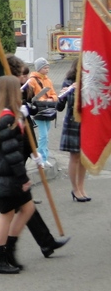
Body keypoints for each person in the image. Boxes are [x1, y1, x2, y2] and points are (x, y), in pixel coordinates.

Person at [0, 54, 69, 262]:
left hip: (8, 156)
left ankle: (43, 241)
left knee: (22, 204)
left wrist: (32, 147)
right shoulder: (2, 91)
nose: (24, 79)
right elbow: (6, 127)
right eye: (21, 75)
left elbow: (21, 122)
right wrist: (23, 170)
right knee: (0, 204)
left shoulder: (14, 92)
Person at [0, 76, 36, 274]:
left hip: (4, 171)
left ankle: (9, 250)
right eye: (17, 89)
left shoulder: (3, 113)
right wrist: (23, 178)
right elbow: (12, 152)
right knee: (6, 215)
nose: (21, 91)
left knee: (27, 208)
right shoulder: (7, 118)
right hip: (6, 174)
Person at [59, 59, 89, 201]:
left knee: (84, 158)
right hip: (72, 124)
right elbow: (59, 107)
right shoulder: (68, 82)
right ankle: (75, 188)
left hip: (86, 124)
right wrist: (64, 94)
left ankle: (81, 187)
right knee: (75, 157)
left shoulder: (89, 83)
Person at [29, 57, 58, 164]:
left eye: (48, 67)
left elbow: (54, 95)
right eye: (45, 68)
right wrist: (41, 99)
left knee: (46, 136)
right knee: (43, 135)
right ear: (39, 68)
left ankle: (44, 157)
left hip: (48, 110)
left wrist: (51, 98)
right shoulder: (32, 80)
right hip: (38, 111)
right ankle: (41, 158)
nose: (47, 69)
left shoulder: (48, 80)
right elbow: (30, 96)